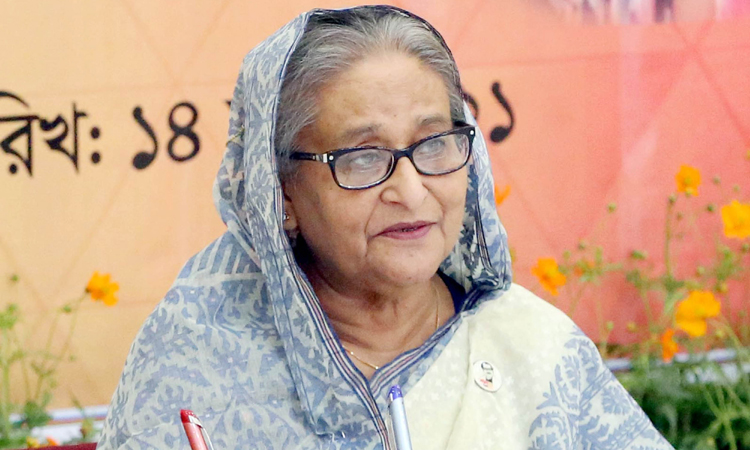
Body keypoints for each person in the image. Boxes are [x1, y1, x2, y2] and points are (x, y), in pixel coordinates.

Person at [98, 5, 674, 449]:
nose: (412, 191)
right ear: (281, 194)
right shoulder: (195, 359)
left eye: (434, 143)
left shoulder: (531, 351)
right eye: (363, 157)